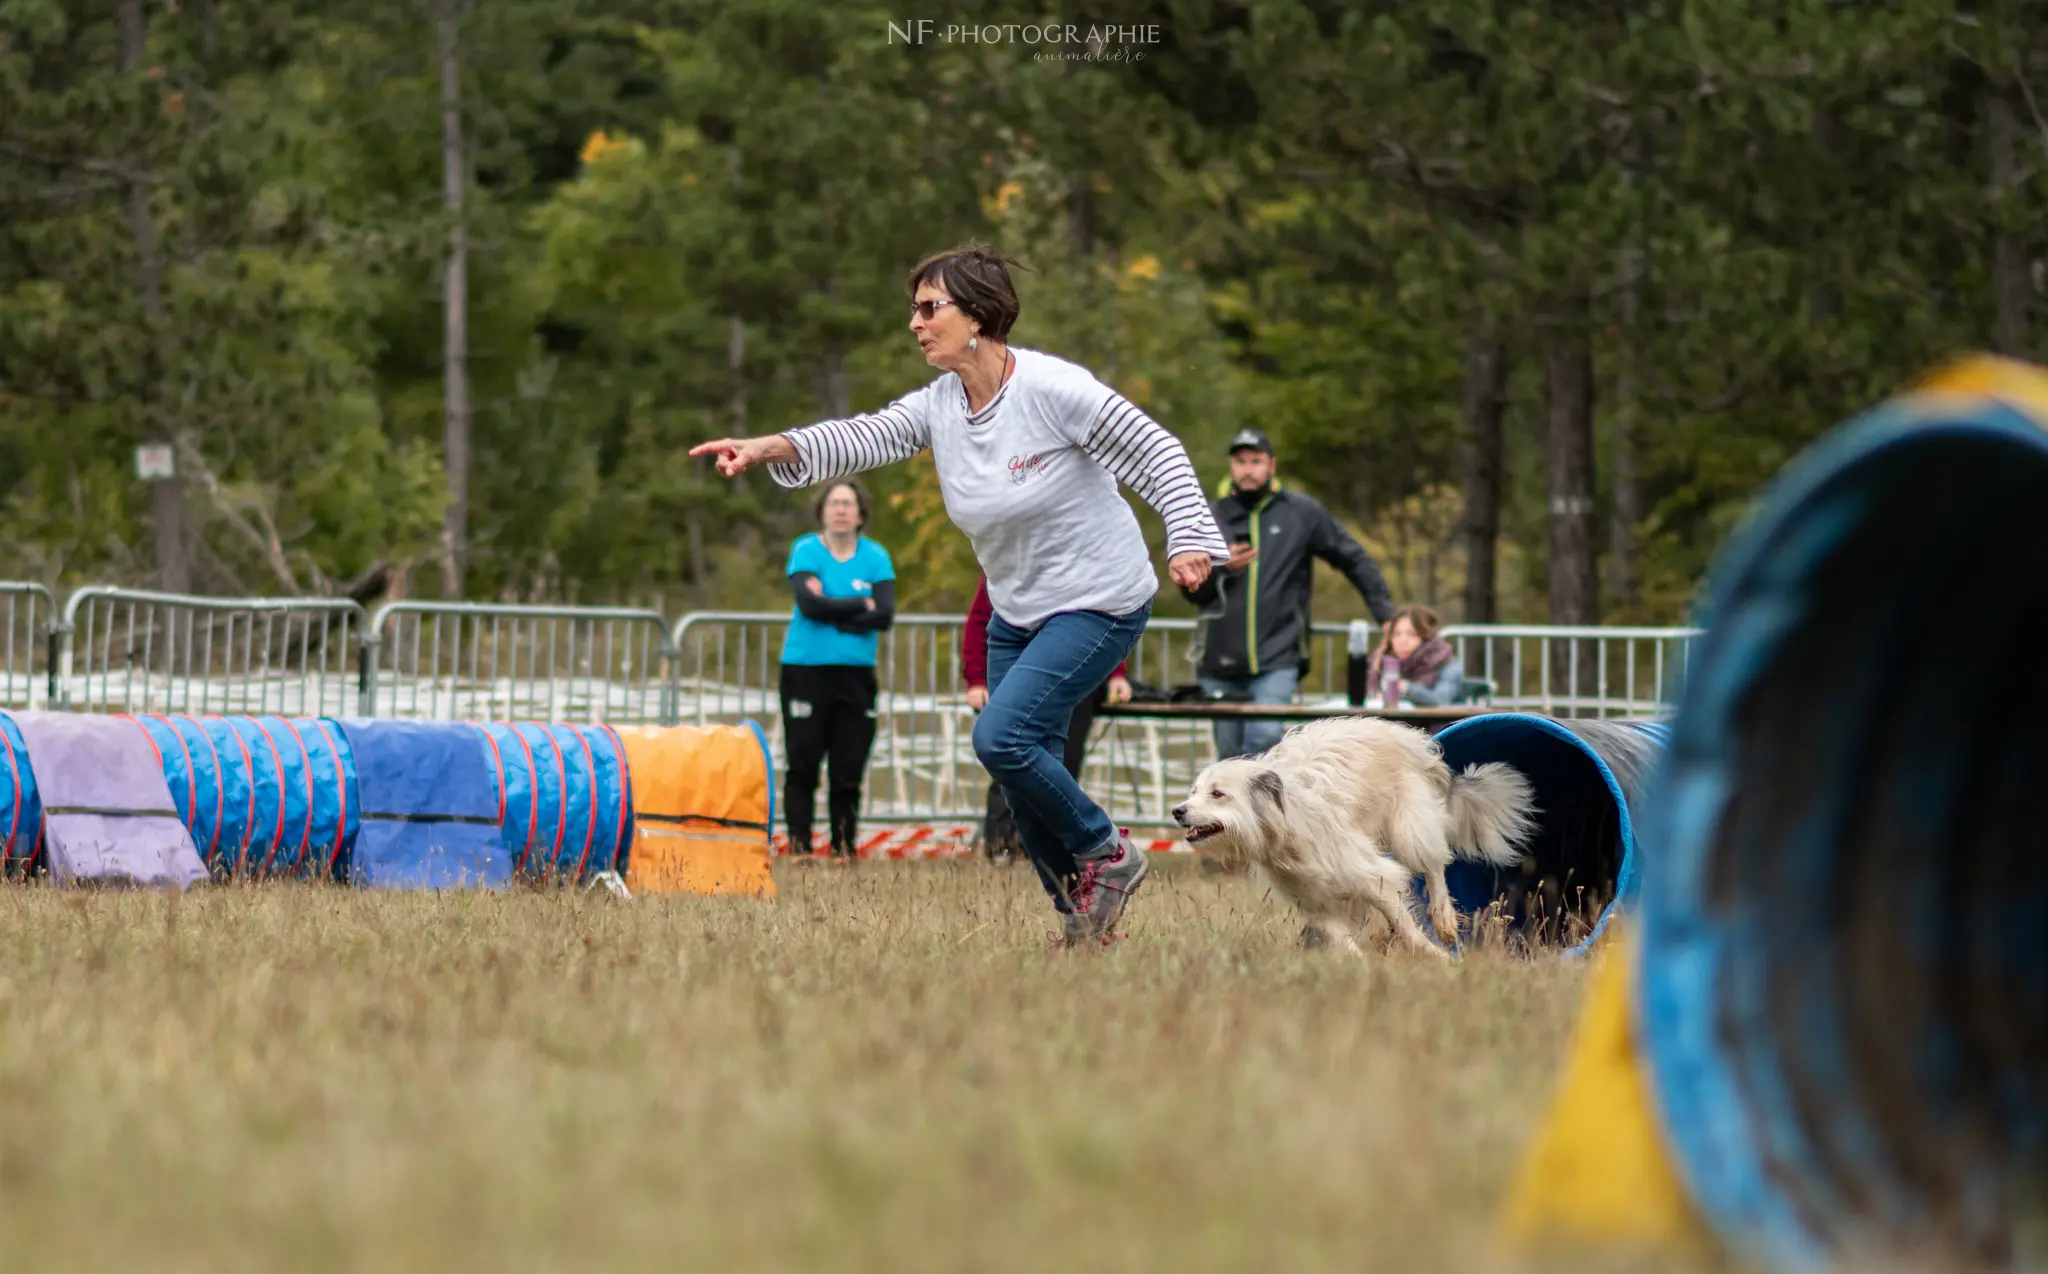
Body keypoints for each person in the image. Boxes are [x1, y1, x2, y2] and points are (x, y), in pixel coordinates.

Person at [692, 242, 1227, 945]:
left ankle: (1109, 852)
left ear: (977, 314)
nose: (914, 324)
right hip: (1016, 611)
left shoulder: (1052, 388)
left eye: (927, 308)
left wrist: (1189, 537)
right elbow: (862, 436)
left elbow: (1156, 450)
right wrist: (766, 447)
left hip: (1100, 600)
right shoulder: (940, 406)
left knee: (1000, 736)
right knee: (1017, 769)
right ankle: (1082, 922)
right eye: (911, 311)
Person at [1180, 426, 1396, 759]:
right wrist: (1222, 567)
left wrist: (1385, 613)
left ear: (1271, 465)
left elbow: (1352, 557)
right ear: (1231, 466)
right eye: (1240, 461)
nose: (1248, 469)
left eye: (1256, 460)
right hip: (1220, 659)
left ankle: (1268, 813)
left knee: (1263, 740)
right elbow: (1193, 593)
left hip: (1278, 655)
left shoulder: (1301, 513)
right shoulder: (1209, 516)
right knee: (1229, 754)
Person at [961, 573, 1132, 863]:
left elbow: (1103, 621)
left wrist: (1116, 673)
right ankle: (1003, 844)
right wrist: (976, 678)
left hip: (1078, 677)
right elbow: (980, 620)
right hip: (1021, 673)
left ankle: (1054, 850)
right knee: (1008, 754)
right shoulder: (1006, 561)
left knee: (1063, 763)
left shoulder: (1084, 563)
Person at [778, 480, 895, 860]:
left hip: (856, 674)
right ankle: (798, 848)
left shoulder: (875, 557)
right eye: (834, 503)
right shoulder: (806, 549)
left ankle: (843, 849)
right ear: (823, 510)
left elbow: (885, 615)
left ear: (861, 514)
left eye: (848, 504)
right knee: (803, 762)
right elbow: (809, 607)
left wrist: (835, 606)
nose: (841, 510)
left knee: (848, 767)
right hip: (805, 669)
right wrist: (860, 603)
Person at [1366, 603, 1465, 707]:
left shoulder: (1446, 662)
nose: (1403, 641)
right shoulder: (1383, 662)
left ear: (1426, 636)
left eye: (1412, 634)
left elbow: (1441, 700)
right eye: (1397, 634)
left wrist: (1407, 689)